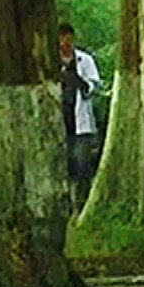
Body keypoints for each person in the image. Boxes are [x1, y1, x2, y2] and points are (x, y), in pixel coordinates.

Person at [59, 22, 103, 204]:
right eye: (62, 40)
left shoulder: (84, 60)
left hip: (81, 122)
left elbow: (95, 85)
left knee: (82, 165)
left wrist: (81, 83)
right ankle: (66, 202)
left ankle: (82, 203)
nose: (66, 43)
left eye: (69, 40)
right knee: (63, 165)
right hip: (61, 119)